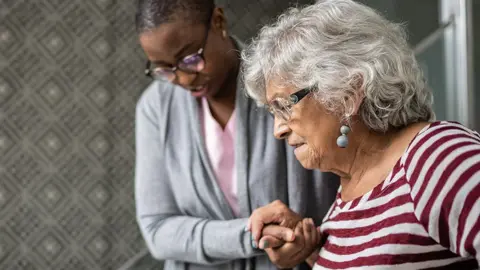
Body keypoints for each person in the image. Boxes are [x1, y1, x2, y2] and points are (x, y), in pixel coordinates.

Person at [241, 0, 480, 269]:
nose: (278, 130)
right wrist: (311, 250)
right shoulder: (348, 192)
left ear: (348, 93)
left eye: (284, 106)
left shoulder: (437, 156)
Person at [133, 0, 339, 269]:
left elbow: (337, 188)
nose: (183, 80)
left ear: (218, 21)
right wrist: (252, 235)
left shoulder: (287, 82)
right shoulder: (156, 108)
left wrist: (303, 243)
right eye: (164, 69)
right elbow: (158, 228)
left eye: (190, 59)